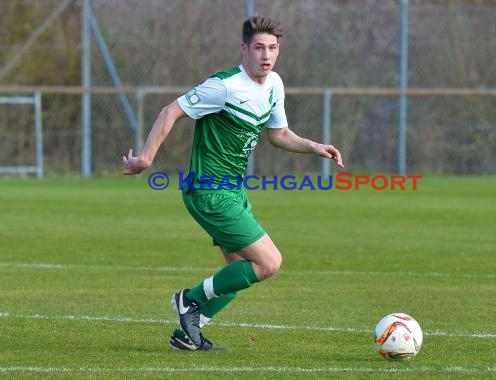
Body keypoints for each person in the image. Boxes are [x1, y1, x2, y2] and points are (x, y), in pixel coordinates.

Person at [122, 16, 344, 351]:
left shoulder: (273, 85)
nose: (265, 55)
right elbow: (170, 111)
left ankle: (187, 336)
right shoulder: (223, 86)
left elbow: (279, 135)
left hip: (232, 189)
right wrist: (147, 158)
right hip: (208, 189)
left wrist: (314, 146)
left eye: (272, 48)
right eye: (258, 48)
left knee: (239, 271)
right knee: (269, 262)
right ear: (244, 49)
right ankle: (189, 299)